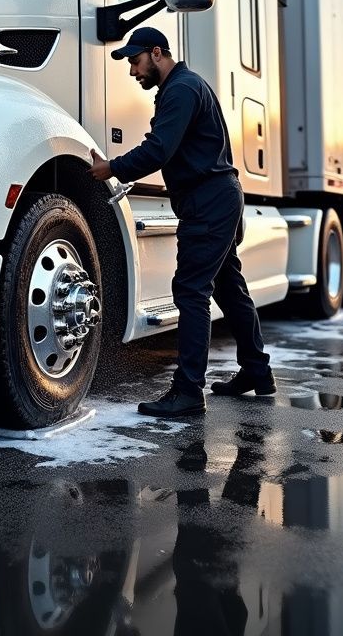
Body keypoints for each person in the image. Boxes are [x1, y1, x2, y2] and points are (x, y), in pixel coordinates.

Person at [88, 26, 275, 418]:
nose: (133, 71)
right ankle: (257, 371)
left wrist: (111, 168)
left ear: (157, 53)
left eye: (136, 62)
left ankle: (188, 391)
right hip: (217, 197)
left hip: (210, 202)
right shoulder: (186, 86)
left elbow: (160, 148)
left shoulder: (180, 90)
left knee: (190, 291)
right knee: (227, 285)